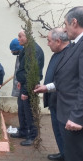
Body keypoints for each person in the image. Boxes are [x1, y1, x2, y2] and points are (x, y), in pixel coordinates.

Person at [34, 6, 83, 161]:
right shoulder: (74, 45)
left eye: (65, 24)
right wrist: (47, 87)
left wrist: (77, 117)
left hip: (73, 115)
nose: (64, 28)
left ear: (74, 22)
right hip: (65, 111)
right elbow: (67, 79)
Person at [10, 30, 44, 146]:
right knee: (22, 111)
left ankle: (32, 136)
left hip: (29, 86)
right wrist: (20, 81)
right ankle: (23, 131)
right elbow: (24, 68)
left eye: (20, 36)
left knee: (29, 112)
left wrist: (25, 91)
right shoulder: (27, 48)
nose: (18, 39)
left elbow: (32, 73)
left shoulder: (34, 51)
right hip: (24, 84)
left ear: (28, 36)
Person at [44, 28, 69, 161]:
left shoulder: (69, 54)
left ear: (58, 41)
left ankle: (67, 155)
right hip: (54, 100)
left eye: (49, 41)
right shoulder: (57, 53)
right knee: (57, 131)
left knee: (64, 133)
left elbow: (64, 81)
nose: (47, 44)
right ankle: (63, 153)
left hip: (63, 102)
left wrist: (46, 88)